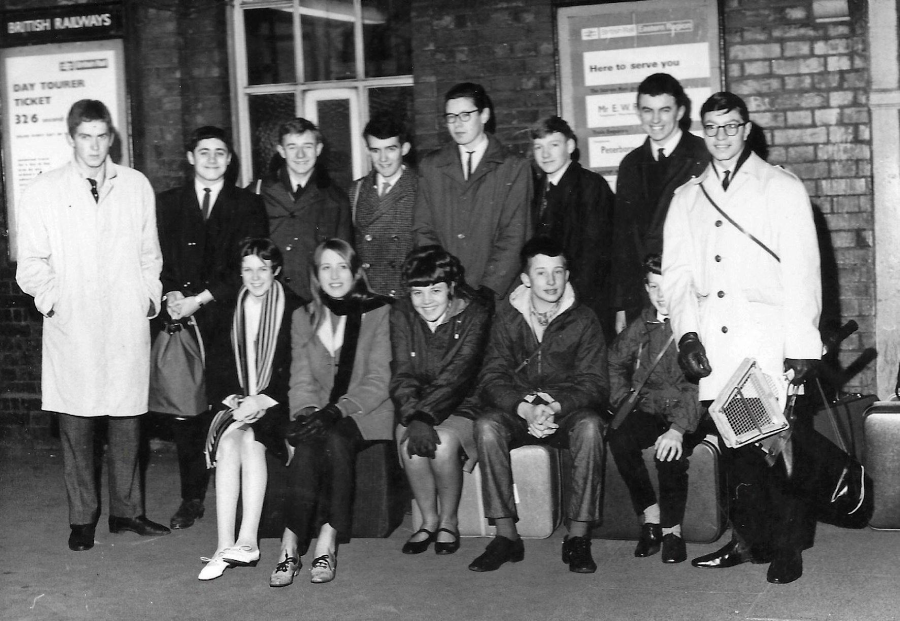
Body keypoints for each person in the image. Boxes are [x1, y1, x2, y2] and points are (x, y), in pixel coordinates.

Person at [663, 91, 822, 584]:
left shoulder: (780, 188)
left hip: (767, 340)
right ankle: (748, 540)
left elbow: (803, 271)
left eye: (730, 126)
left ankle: (787, 547)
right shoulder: (688, 196)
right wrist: (687, 332)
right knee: (735, 450)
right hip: (719, 342)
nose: (721, 136)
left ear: (747, 129)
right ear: (702, 131)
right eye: (711, 128)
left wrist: (801, 344)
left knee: (776, 448)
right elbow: (678, 275)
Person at [16, 99, 170, 551]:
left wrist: (146, 297)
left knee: (126, 422)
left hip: (124, 320)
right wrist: (54, 301)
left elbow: (150, 254)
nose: (95, 145)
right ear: (71, 139)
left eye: (102, 136)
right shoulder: (45, 190)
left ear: (111, 138)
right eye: (86, 136)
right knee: (78, 424)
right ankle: (82, 518)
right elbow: (32, 263)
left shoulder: (137, 186)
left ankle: (127, 513)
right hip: (75, 322)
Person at [469, 236, 608, 574]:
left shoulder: (584, 319)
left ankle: (577, 537)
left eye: (558, 272)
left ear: (567, 275)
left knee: (591, 428)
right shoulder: (506, 317)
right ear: (525, 279)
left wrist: (555, 406)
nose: (550, 281)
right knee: (486, 426)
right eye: (541, 273)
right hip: (521, 411)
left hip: (565, 411)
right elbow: (491, 377)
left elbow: (595, 384)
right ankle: (506, 537)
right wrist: (525, 407)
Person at [156, 125, 269, 530]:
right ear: (190, 156)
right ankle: (191, 497)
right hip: (180, 320)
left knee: (225, 404)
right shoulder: (167, 203)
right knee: (186, 412)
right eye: (204, 151)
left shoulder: (248, 205)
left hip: (226, 317)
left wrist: (198, 300)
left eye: (220, 152)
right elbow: (159, 259)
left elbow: (246, 266)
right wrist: (171, 296)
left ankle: (233, 490)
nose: (211, 159)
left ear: (229, 158)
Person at [268, 239, 393, 587]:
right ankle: (290, 545)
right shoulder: (303, 316)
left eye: (342, 266)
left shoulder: (378, 311)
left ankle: (327, 541)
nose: (335, 275)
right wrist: (308, 414)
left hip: (365, 412)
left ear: (356, 272)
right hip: (319, 410)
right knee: (309, 442)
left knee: (335, 437)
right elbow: (301, 379)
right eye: (326, 267)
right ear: (315, 274)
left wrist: (334, 411)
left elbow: (378, 380)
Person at [197, 238, 303, 580]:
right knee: (227, 443)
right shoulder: (229, 307)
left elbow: (296, 367)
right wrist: (237, 399)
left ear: (276, 271)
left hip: (278, 402)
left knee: (248, 442)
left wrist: (263, 400)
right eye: (247, 270)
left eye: (263, 269)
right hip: (238, 401)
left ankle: (247, 540)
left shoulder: (295, 308)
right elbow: (218, 364)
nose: (255, 277)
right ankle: (224, 544)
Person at [606, 253, 709, 564]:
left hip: (689, 413)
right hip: (651, 408)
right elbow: (613, 361)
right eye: (653, 288)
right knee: (620, 438)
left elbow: (701, 385)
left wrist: (677, 430)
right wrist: (624, 399)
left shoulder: (697, 326)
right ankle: (650, 518)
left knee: (670, 457)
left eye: (668, 287)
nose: (661, 296)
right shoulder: (644, 324)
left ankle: (672, 532)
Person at [390, 246, 492, 556]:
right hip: (420, 403)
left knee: (443, 443)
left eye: (435, 290)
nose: (426, 301)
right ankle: (427, 521)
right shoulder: (402, 312)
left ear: (451, 288)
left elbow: (459, 374)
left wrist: (424, 416)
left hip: (465, 401)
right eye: (417, 293)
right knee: (406, 439)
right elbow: (402, 373)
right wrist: (412, 414)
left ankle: (449, 522)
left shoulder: (475, 313)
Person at [413, 82, 532, 299]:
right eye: (451, 117)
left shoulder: (513, 167)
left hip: (496, 295)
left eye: (465, 115)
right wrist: (444, 280)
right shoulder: (431, 167)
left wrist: (488, 290)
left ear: (484, 115)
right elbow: (423, 230)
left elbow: (515, 236)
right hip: (447, 294)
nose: (457, 124)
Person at [611, 73, 709, 333]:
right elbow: (622, 240)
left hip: (691, 293)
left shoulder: (703, 156)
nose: (655, 120)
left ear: (680, 111)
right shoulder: (630, 165)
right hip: (643, 299)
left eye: (664, 110)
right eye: (647, 110)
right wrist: (622, 305)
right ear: (637, 112)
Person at [531, 115, 615, 340]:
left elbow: (594, 253)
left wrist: (568, 302)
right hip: (550, 299)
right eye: (539, 147)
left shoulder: (590, 186)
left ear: (570, 146)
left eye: (553, 145)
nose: (545, 154)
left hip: (582, 302)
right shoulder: (538, 187)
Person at [255, 118, 352, 300]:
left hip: (314, 299)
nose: (300, 155)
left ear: (318, 149)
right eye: (292, 147)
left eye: (307, 146)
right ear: (281, 151)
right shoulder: (258, 192)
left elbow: (342, 259)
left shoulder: (336, 199)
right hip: (268, 297)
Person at [350, 114, 416, 298]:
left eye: (390, 149)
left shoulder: (421, 189)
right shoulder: (356, 190)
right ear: (367, 151)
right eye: (376, 150)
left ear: (405, 148)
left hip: (407, 297)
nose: (383, 158)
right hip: (369, 296)